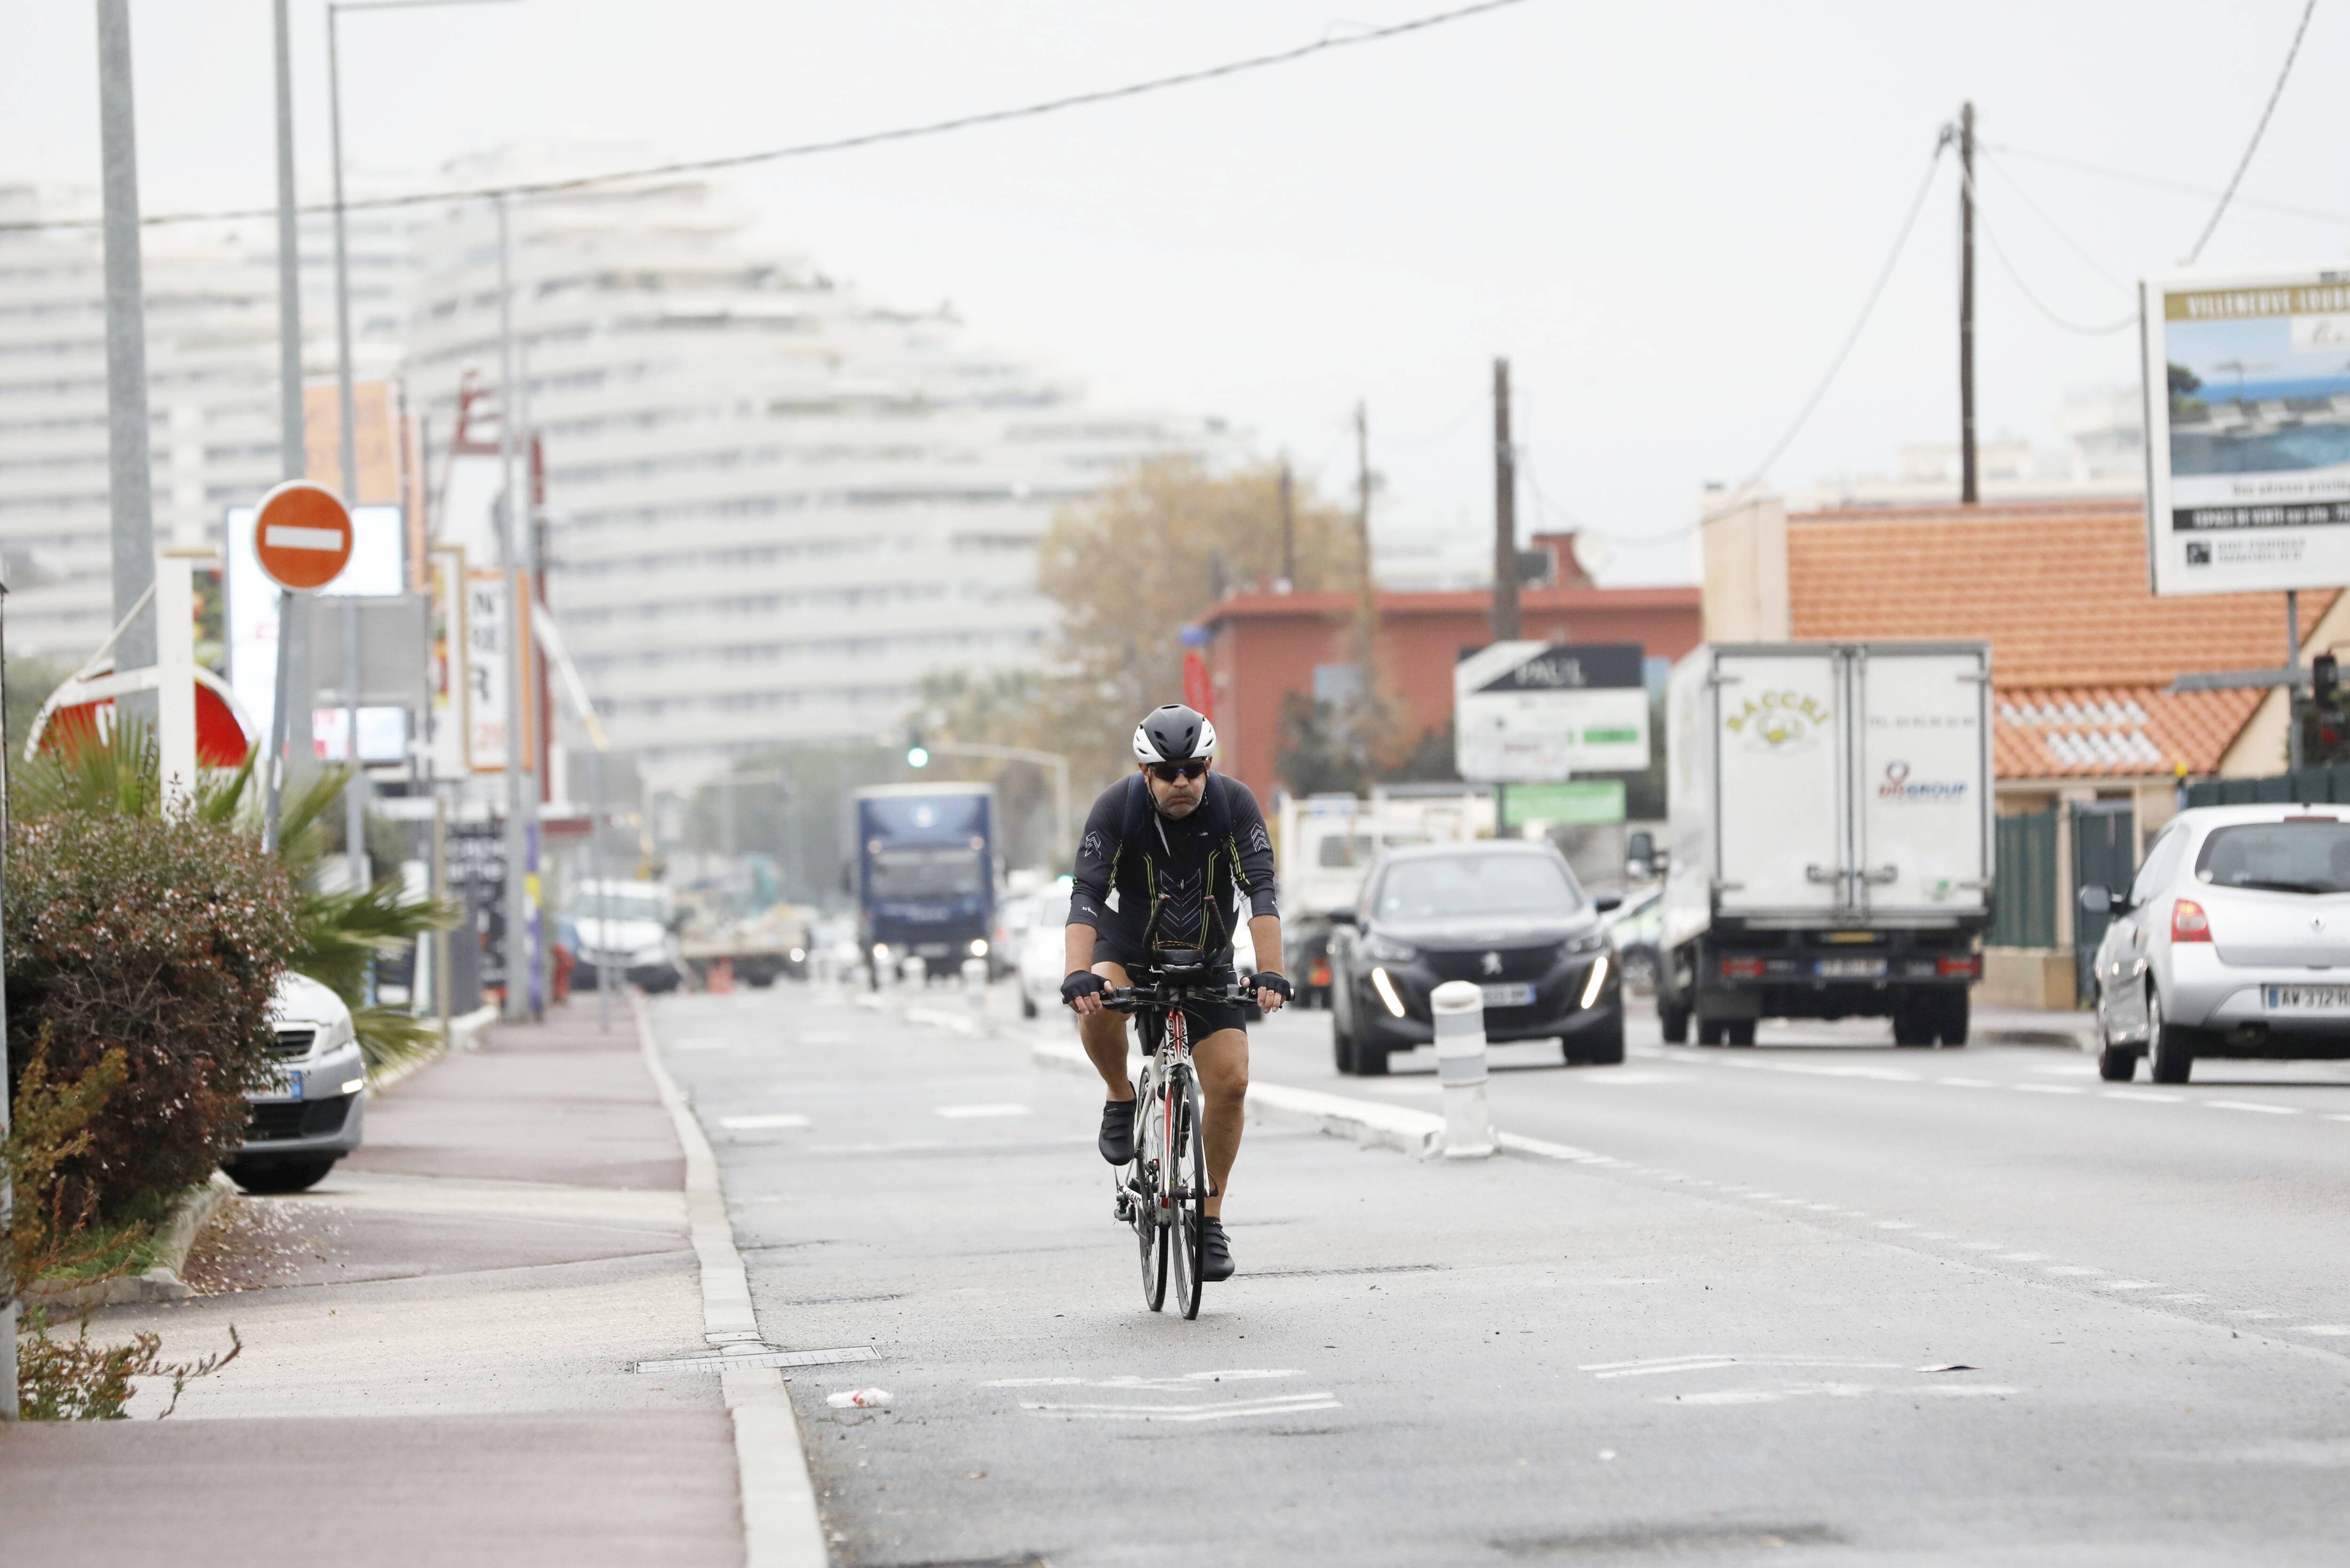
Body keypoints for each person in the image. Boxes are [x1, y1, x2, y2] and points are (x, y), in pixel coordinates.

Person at [1062, 702, 1290, 1283]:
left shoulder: (1234, 804)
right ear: (1146, 774)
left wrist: (1270, 969)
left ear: (1208, 765)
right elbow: (1086, 894)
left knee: (1233, 1081)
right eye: (1167, 772)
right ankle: (1119, 1094)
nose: (1181, 781)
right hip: (1129, 947)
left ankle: (1208, 1218)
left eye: (1193, 769)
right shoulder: (1117, 808)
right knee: (1097, 1002)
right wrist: (1075, 972)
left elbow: (1260, 888)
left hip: (1208, 954)